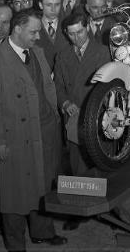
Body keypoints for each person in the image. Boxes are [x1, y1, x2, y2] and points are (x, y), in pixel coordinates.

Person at [0, 9, 67, 251]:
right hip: (15, 137)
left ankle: (42, 232)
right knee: (14, 194)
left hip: (44, 131)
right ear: (17, 29)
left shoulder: (37, 52)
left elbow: (47, 88)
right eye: (33, 31)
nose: (38, 36)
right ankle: (16, 245)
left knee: (43, 186)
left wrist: (56, 119)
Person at [54, 11, 111, 177]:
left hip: (98, 118)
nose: (76, 37)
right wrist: (65, 103)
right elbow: (57, 86)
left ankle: (106, 202)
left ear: (88, 28)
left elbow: (109, 87)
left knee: (100, 166)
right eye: (71, 34)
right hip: (74, 119)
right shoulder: (62, 56)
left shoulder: (104, 52)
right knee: (78, 167)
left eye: (79, 32)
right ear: (66, 33)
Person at [38, 0, 66, 71]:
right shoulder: (31, 27)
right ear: (40, 5)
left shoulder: (68, 25)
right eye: (49, 5)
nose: (53, 9)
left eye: (57, 5)